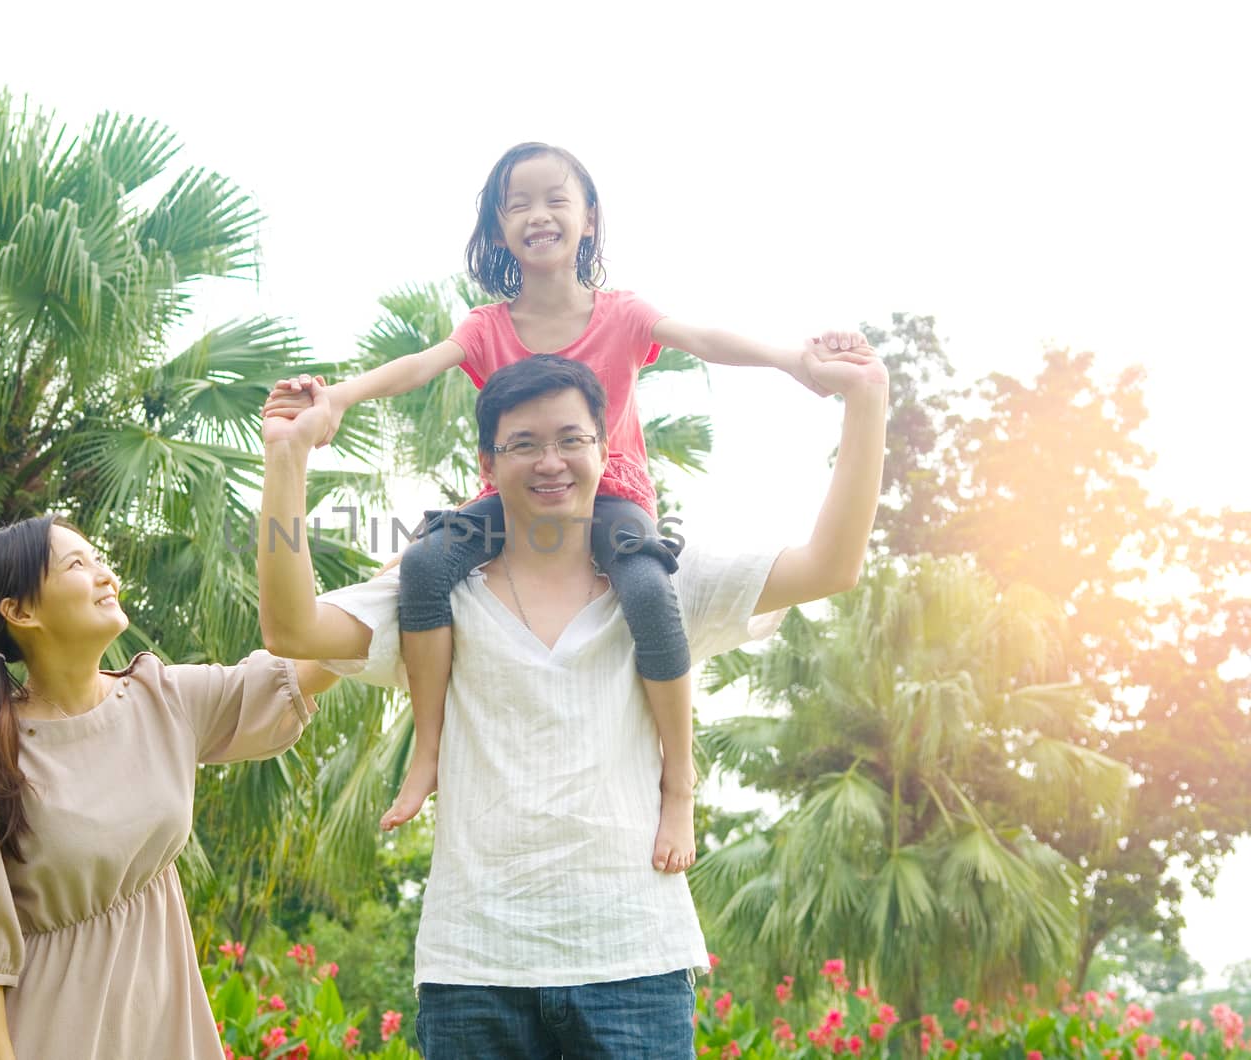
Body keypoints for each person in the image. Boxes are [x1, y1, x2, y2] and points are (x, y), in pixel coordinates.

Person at [257, 350, 887, 1057]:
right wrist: (286, 458)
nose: (550, 461)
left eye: (570, 439)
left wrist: (866, 400)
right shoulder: (436, 594)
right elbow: (292, 628)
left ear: (604, 448)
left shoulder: (668, 580)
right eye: (523, 444)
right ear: (487, 466)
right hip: (474, 967)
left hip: (634, 964)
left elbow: (831, 566)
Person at [264, 141, 856, 873]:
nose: (537, 215)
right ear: (498, 226)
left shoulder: (624, 313)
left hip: (612, 500)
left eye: (555, 200)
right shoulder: (487, 326)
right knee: (421, 566)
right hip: (508, 503)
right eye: (517, 204)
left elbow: (703, 338)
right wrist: (338, 400)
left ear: (588, 219)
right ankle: (429, 749)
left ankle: (679, 781)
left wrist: (794, 361)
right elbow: (417, 367)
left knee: (645, 588)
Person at [0, 515, 336, 1059]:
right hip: (47, 1037)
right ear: (20, 611)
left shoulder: (162, 698)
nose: (104, 574)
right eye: (77, 564)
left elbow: (309, 662)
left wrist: (420, 563)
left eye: (98, 557)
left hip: (165, 1030)